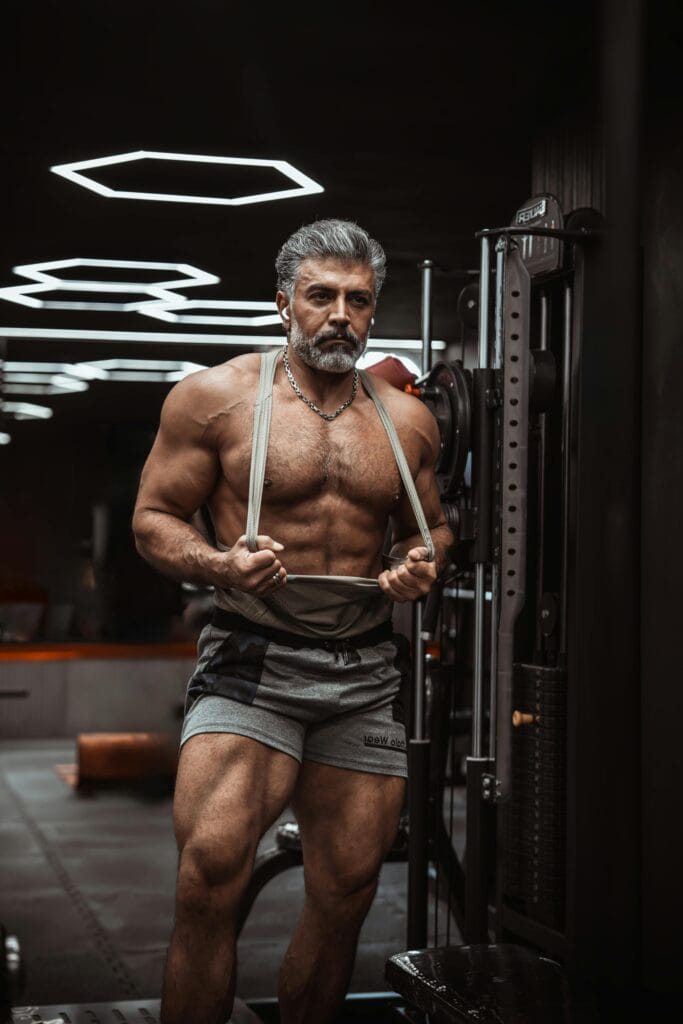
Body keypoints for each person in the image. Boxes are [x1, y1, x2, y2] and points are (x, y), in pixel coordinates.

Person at [131, 218, 454, 1024]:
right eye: (321, 296)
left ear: (373, 311)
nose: (339, 314)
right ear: (283, 305)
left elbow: (432, 528)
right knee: (209, 876)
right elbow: (152, 518)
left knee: (345, 891)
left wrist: (423, 563)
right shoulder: (216, 400)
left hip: (365, 671)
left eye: (358, 299)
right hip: (253, 657)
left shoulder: (407, 421)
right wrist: (216, 564)